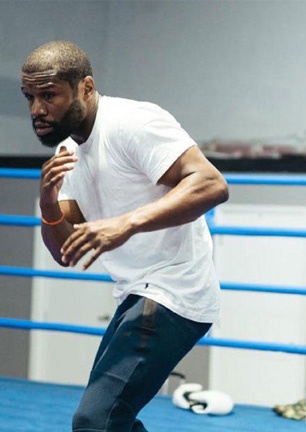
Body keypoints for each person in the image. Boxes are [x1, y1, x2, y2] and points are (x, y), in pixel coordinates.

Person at [21, 40, 229, 431]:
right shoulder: (66, 154)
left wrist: (126, 223)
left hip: (174, 291)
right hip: (136, 294)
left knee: (94, 420)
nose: (37, 110)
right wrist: (48, 203)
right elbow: (66, 252)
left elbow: (211, 184)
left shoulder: (132, 122)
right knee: (112, 421)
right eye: (29, 96)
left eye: (49, 95)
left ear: (85, 87)